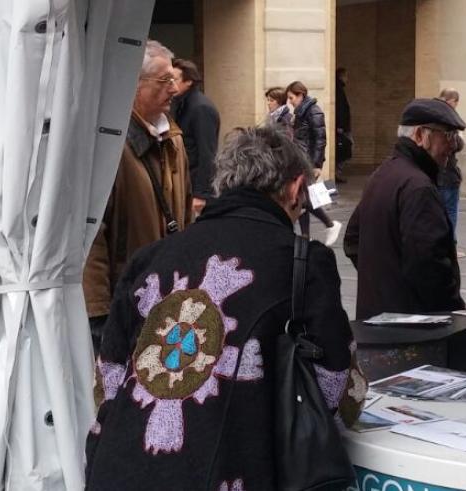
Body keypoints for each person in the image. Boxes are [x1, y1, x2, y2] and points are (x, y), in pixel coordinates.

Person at [86, 126, 365, 491]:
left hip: (119, 471)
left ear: (223, 184)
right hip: (228, 474)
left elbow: (109, 379)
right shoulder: (304, 261)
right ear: (296, 189)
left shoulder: (151, 258)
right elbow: (337, 389)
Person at [83, 40, 193, 354]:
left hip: (168, 292)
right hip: (126, 298)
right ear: (133, 85)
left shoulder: (173, 139)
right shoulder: (108, 146)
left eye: (174, 80)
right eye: (164, 81)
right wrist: (99, 309)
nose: (174, 89)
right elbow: (92, 236)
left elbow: (185, 215)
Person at [343, 99, 466, 319]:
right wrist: (453, 309)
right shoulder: (418, 187)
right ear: (420, 136)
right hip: (412, 328)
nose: (453, 146)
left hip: (379, 318)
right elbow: (428, 267)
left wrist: (382, 282)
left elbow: (352, 240)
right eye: (447, 135)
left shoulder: (383, 173)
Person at [286, 81, 343, 245]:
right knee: (303, 199)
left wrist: (317, 164)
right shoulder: (301, 112)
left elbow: (320, 139)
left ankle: (330, 225)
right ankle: (305, 237)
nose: (290, 101)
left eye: (291, 97)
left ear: (300, 95)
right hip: (301, 159)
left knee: (304, 200)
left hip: (308, 162)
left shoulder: (313, 111)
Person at [171, 58, 221, 214]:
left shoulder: (201, 108)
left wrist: (201, 194)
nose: (171, 84)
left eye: (175, 79)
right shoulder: (179, 103)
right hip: (184, 181)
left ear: (189, 81)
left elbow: (207, 154)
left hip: (195, 187)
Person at [436, 89, 466, 253]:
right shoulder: (448, 119)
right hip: (447, 175)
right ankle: (449, 245)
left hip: (438, 174)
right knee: (450, 211)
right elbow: (457, 144)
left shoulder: (431, 115)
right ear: (451, 101)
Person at [335, 68, 352, 183]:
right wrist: (340, 125)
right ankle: (336, 173)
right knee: (347, 146)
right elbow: (340, 109)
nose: (347, 79)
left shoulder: (338, 89)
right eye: (346, 76)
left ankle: (336, 173)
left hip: (342, 126)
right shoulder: (338, 90)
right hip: (341, 127)